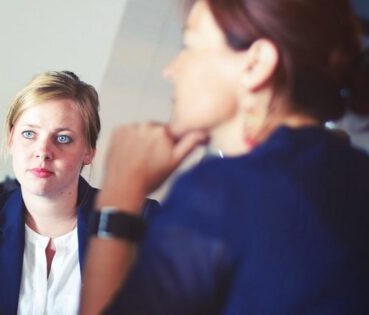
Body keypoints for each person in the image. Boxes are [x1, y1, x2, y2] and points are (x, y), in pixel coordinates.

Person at [80, 0, 369, 314]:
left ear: (255, 64)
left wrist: (121, 192)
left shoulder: (221, 192)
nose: (171, 70)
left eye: (188, 45)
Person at [0, 71, 161, 315]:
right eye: (29, 134)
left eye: (63, 138)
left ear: (88, 151)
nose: (43, 151)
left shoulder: (140, 222)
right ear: (11, 138)